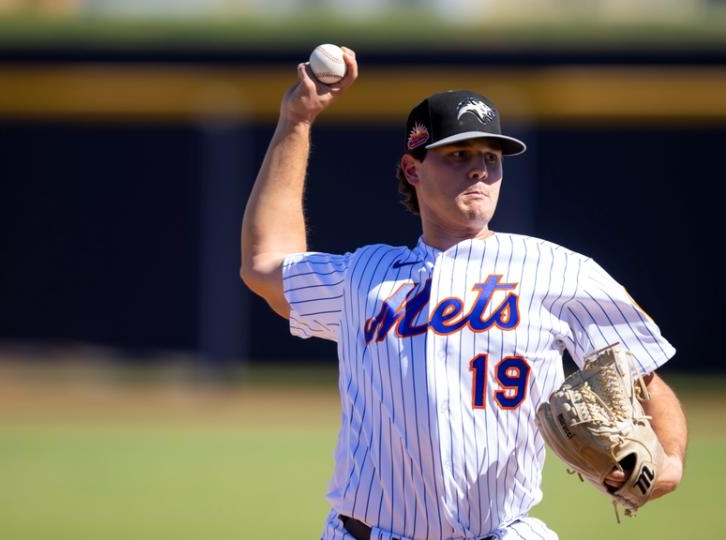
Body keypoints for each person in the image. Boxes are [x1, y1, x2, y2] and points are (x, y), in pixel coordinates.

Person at [240, 47, 687, 540]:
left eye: (490, 158)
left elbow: (645, 376)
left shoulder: (559, 270)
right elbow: (264, 263)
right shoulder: (364, 275)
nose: (479, 170)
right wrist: (296, 120)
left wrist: (668, 464)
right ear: (413, 170)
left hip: (502, 530)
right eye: (458, 155)